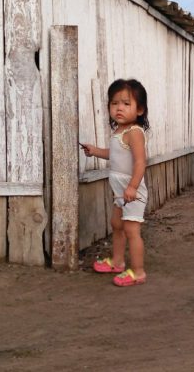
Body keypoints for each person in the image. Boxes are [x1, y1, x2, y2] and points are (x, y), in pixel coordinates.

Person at [81, 78, 149, 287]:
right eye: (114, 103)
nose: (119, 108)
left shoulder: (134, 132)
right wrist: (95, 151)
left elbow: (140, 162)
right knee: (117, 225)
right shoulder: (119, 132)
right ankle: (117, 262)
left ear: (139, 110)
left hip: (131, 191)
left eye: (126, 103)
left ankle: (138, 272)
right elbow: (115, 154)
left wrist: (132, 187)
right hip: (120, 191)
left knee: (131, 231)